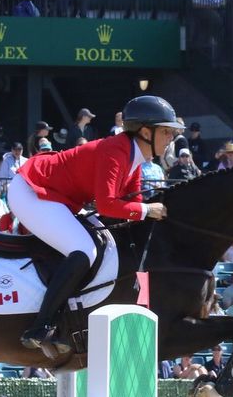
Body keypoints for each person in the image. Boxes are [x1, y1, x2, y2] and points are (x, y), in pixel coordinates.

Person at [10, 95, 180, 355]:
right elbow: (108, 206)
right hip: (33, 190)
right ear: (146, 132)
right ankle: (41, 325)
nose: (171, 138)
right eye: (166, 131)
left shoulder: (134, 159)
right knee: (84, 250)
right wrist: (148, 210)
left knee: (102, 244)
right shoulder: (116, 151)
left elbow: (130, 204)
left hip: (58, 198)